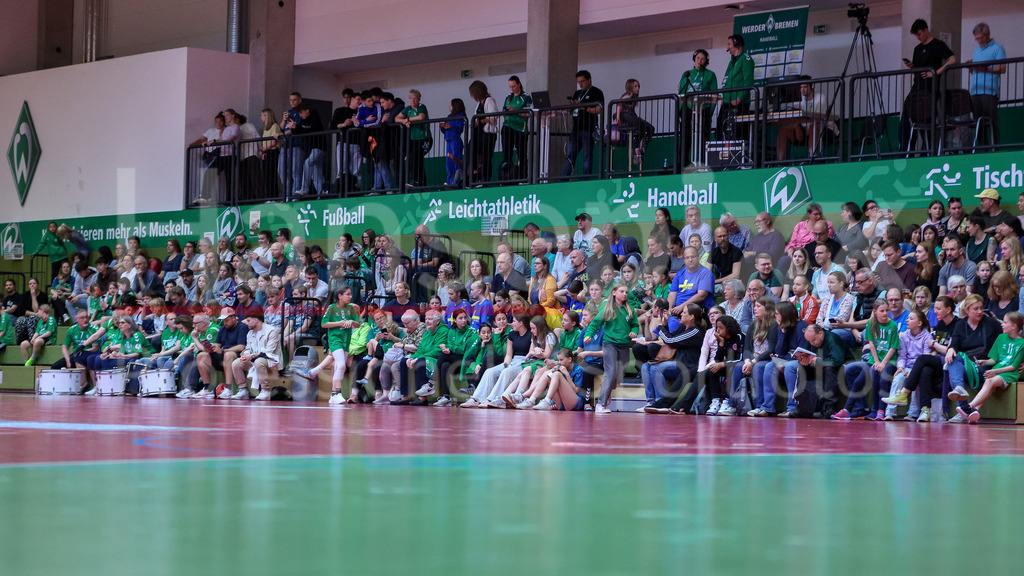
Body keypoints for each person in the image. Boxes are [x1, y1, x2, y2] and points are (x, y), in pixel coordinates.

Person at [833, 298, 900, 420]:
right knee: (859, 381)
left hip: (889, 360)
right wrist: (876, 362)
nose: (885, 313)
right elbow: (872, 344)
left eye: (887, 310)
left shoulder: (892, 325)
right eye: (882, 311)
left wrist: (883, 363)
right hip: (874, 360)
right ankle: (847, 409)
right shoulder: (871, 324)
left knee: (882, 379)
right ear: (875, 312)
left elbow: (893, 347)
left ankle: (880, 410)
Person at [953, 312, 1024, 424]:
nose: (1002, 324)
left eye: (1005, 322)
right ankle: (975, 410)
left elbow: (1013, 366)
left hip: (1009, 373)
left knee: (989, 381)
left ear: (1014, 326)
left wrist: (995, 371)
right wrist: (984, 361)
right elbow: (994, 360)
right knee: (989, 385)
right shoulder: (1001, 337)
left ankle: (969, 406)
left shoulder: (1022, 343)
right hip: (998, 370)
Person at [900, 19, 956, 152]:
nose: (918, 37)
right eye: (916, 35)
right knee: (908, 112)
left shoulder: (938, 45)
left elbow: (952, 59)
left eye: (920, 34)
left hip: (930, 87)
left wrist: (935, 73)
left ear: (926, 30)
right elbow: (919, 67)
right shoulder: (917, 49)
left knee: (926, 117)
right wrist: (912, 66)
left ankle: (929, 149)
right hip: (917, 85)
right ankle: (906, 148)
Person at [943, 294, 1001, 420]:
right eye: (976, 309)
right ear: (967, 310)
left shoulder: (991, 323)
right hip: (965, 366)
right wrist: (950, 349)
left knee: (954, 370)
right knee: (953, 358)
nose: (980, 311)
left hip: (984, 366)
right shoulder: (960, 325)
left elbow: (1005, 342)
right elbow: (954, 344)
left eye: (981, 308)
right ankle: (960, 393)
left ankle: (962, 411)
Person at [584, 283, 639, 414]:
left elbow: (635, 325)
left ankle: (607, 390)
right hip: (610, 344)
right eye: (622, 291)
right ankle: (600, 404)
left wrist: (634, 332)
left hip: (624, 345)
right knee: (610, 371)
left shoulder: (629, 310)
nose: (625, 294)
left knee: (619, 375)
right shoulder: (608, 309)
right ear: (614, 292)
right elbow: (595, 323)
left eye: (626, 292)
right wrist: (588, 335)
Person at [966, 23, 1006, 149]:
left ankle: (995, 147)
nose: (979, 41)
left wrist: (984, 69)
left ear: (988, 35)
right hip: (975, 91)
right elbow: (977, 70)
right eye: (976, 38)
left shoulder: (998, 48)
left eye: (981, 38)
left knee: (991, 120)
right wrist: (972, 67)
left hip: (989, 91)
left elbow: (1002, 68)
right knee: (979, 122)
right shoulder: (977, 50)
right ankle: (983, 148)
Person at [230, 311, 282, 401]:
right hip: (255, 360)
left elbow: (268, 352)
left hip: (272, 362)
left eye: (248, 320)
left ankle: (265, 391)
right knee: (236, 363)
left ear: (256, 320)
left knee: (259, 361)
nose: (246, 323)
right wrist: (245, 354)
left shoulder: (272, 331)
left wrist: (252, 355)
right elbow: (248, 348)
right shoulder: (250, 333)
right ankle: (243, 390)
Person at [562, 70, 604, 178]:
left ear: (589, 80)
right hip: (575, 128)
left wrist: (584, 107)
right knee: (570, 156)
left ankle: (585, 180)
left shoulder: (596, 92)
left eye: (583, 81)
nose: (580, 84)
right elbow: (573, 111)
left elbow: (599, 109)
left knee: (587, 156)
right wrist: (571, 106)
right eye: (579, 82)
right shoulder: (577, 93)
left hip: (588, 129)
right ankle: (564, 180)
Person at [679, 48, 718, 165]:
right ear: (694, 59)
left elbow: (714, 96)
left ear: (706, 61)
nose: (699, 61)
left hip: (704, 110)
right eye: (698, 58)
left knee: (704, 137)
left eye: (702, 59)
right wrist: (685, 108)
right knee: (685, 137)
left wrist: (709, 112)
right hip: (688, 109)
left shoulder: (711, 75)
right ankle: (684, 164)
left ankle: (703, 162)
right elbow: (681, 95)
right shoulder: (687, 74)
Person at [719, 34, 755, 137]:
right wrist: (723, 97)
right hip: (727, 101)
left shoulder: (746, 59)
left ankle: (740, 153)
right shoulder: (732, 61)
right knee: (720, 131)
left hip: (739, 103)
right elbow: (727, 80)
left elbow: (748, 82)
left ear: (736, 44)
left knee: (738, 133)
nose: (727, 47)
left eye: (729, 44)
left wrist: (739, 99)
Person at [500, 76, 532, 181]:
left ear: (519, 84)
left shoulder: (526, 96)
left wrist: (515, 110)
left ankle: (523, 179)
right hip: (507, 126)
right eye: (510, 86)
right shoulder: (508, 97)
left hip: (520, 129)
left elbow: (529, 114)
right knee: (507, 154)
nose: (512, 89)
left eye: (514, 86)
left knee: (521, 155)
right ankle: (506, 178)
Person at [615, 78, 654, 164]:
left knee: (650, 128)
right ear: (630, 87)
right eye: (635, 86)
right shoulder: (628, 96)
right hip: (626, 118)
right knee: (640, 127)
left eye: (638, 86)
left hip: (631, 117)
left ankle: (642, 148)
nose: (638, 88)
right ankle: (636, 148)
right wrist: (618, 117)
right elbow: (619, 104)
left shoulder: (633, 97)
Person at [396, 89, 429, 186]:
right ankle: (418, 182)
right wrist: (404, 121)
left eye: (414, 98)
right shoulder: (408, 109)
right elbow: (397, 118)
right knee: (412, 160)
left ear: (419, 99)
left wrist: (408, 119)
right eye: (410, 98)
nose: (412, 100)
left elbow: (421, 117)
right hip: (413, 139)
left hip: (424, 139)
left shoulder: (421, 107)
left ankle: (419, 182)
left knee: (415, 159)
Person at [669, 246, 715, 313]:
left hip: (697, 309)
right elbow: (672, 294)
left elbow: (701, 296)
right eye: (687, 258)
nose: (690, 260)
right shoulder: (679, 274)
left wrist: (681, 307)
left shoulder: (706, 273)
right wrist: (669, 308)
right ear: (684, 260)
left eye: (693, 257)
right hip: (677, 309)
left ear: (698, 257)